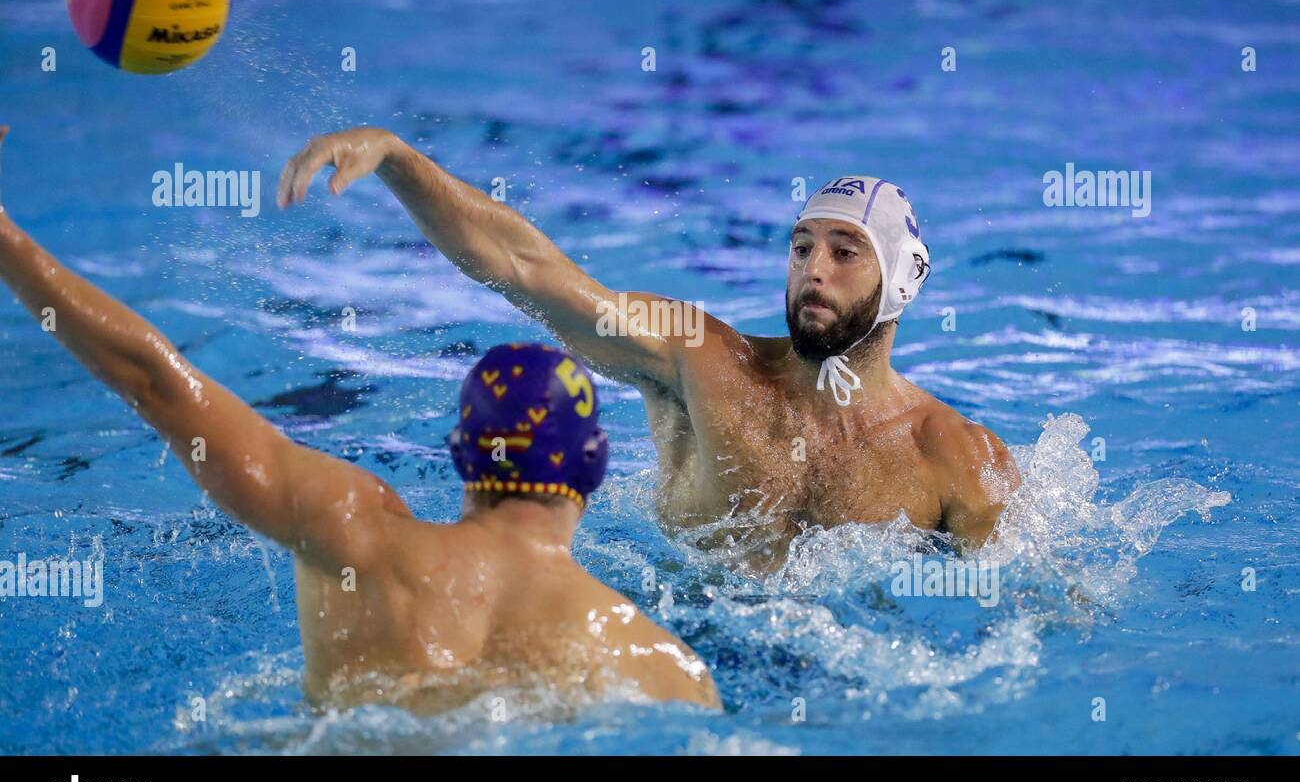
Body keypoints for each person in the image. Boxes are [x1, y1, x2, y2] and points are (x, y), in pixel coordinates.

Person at [0, 126, 718, 713]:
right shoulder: (660, 667)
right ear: (592, 464)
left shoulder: (353, 533)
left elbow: (156, 382)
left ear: (460, 453)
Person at [277, 129, 1022, 569]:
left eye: (844, 251)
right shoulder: (700, 358)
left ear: (900, 284)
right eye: (801, 247)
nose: (812, 270)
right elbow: (529, 269)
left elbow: (1026, 619)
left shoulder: (954, 457)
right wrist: (402, 161)